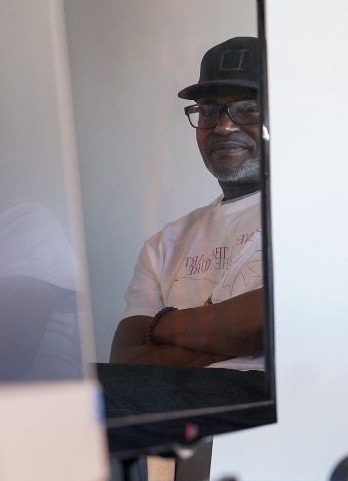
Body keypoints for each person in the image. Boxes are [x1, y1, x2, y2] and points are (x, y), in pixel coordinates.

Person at [109, 36, 265, 370]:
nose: (223, 126)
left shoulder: (311, 218)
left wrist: (159, 327)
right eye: (208, 111)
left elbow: (274, 320)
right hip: (176, 408)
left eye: (248, 109)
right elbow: (126, 356)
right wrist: (232, 337)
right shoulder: (164, 244)